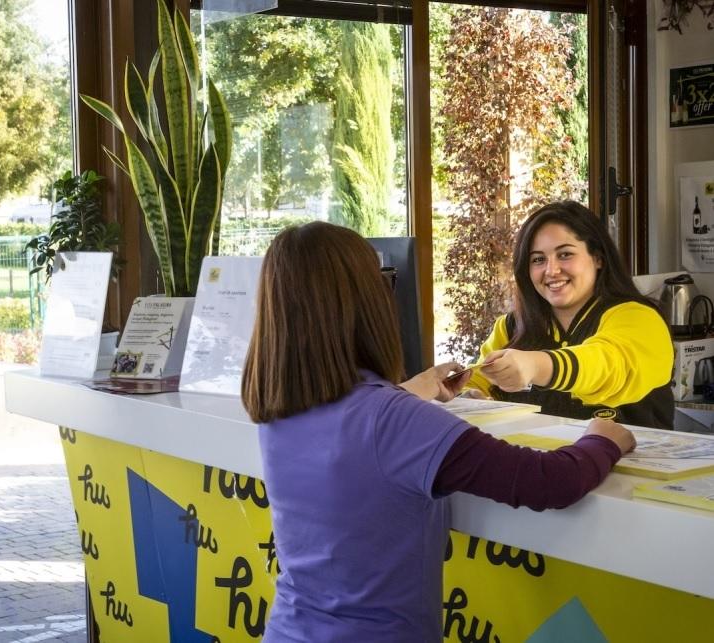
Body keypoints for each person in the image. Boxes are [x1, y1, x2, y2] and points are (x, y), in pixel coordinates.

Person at [241, 221, 635, 642]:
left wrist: (413, 389)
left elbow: (355, 427)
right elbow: (550, 481)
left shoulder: (281, 409)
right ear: (367, 304)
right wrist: (603, 438)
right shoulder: (394, 422)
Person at [465, 200, 675, 429]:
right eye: (538, 259)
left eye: (565, 254)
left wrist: (537, 366)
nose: (551, 270)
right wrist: (463, 396)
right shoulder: (510, 327)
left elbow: (607, 366)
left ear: (598, 257)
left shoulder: (640, 319)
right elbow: (478, 381)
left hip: (628, 453)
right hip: (536, 453)